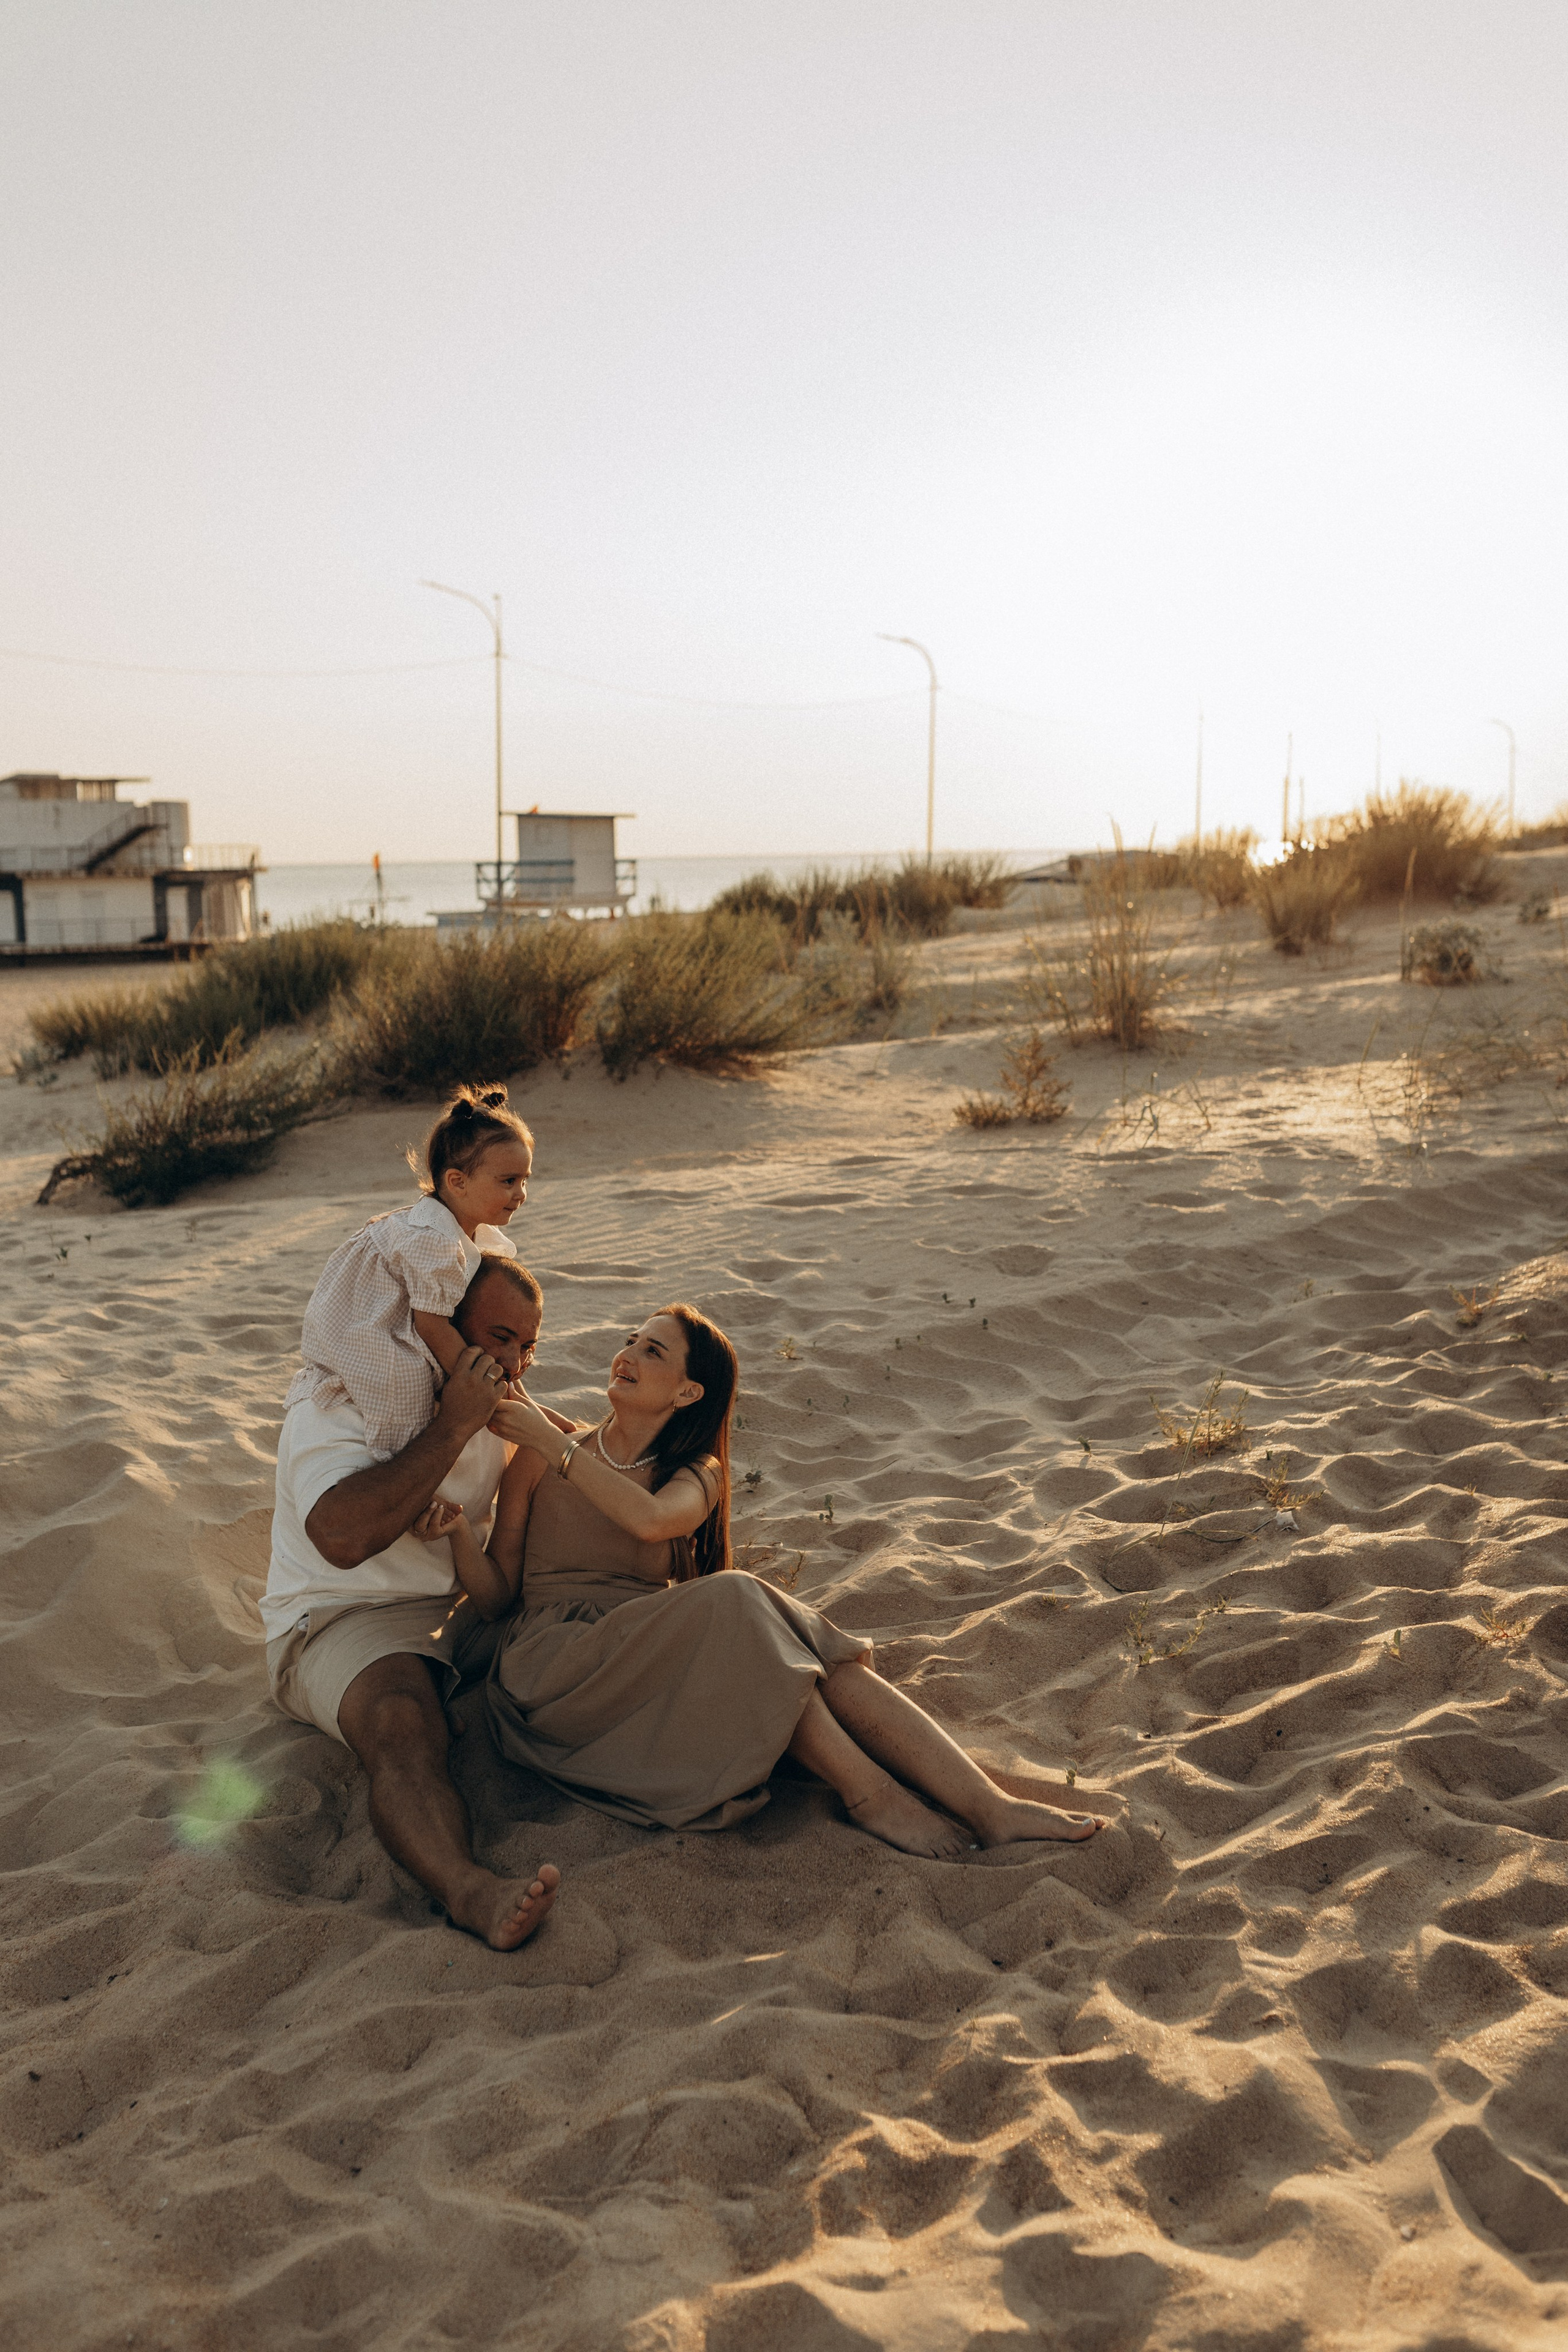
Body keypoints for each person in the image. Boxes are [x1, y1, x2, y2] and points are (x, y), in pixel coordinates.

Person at [455, 1303, 1102, 1858]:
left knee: (820, 1661)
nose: (628, 1354)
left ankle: (989, 1806)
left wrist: (552, 1442)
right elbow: (495, 1597)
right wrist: (456, 1531)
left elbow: (652, 1522)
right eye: (630, 1341)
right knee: (742, 1605)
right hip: (556, 1672)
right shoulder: (543, 1458)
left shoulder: (692, 1473)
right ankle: (869, 1795)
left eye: (653, 1351)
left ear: (686, 1393)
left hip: (649, 1654)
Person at [263, 1253, 560, 1950]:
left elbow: (581, 1448)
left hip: (464, 1605)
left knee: (581, 1626)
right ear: (436, 1331)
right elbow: (340, 1537)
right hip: (342, 1617)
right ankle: (469, 1891)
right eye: (497, 1339)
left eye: (528, 1347)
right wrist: (454, 1424)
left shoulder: (498, 1395)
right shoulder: (333, 1401)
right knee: (401, 1721)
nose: (514, 1365)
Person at [284, 1086, 534, 1458]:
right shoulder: (436, 1240)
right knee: (409, 1386)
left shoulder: (456, 1230)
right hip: (368, 1332)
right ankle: (395, 1462)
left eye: (525, 1180)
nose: (521, 1193)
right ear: (457, 1182)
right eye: (508, 1181)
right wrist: (479, 1388)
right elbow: (431, 1325)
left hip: (388, 1322)